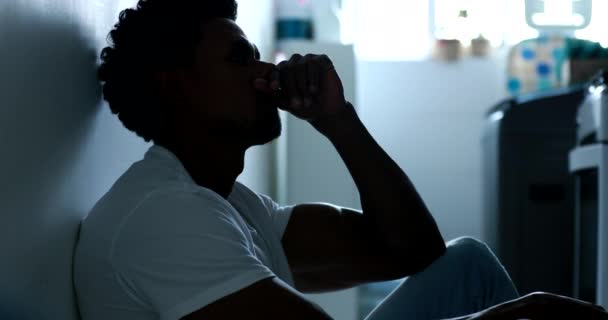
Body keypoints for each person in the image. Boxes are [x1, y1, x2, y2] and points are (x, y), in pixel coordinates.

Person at [73, 0, 608, 319]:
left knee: (465, 262)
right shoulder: (167, 214)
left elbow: (414, 251)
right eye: (240, 59)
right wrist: (513, 316)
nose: (265, 72)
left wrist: (338, 120)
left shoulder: (229, 202)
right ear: (177, 88)